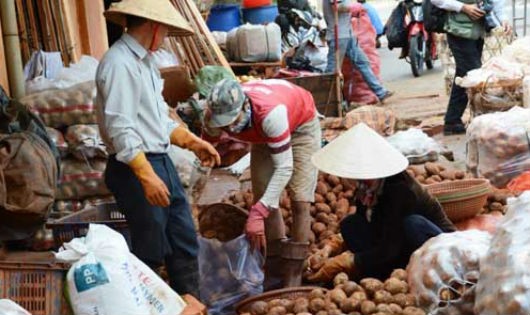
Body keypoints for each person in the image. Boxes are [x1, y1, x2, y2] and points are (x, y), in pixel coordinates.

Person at [95, 0, 220, 297]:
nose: (164, 37)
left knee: (183, 239)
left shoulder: (147, 63)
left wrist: (192, 142)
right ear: (154, 26)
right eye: (164, 31)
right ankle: (147, 304)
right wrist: (145, 174)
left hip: (159, 161)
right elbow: (121, 127)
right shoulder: (118, 63)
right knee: (150, 248)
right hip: (134, 167)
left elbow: (157, 119)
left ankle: (191, 303)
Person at [203, 78, 321, 287]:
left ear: (244, 106)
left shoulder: (269, 114)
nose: (229, 127)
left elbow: (285, 168)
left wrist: (258, 213)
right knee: (264, 194)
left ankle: (294, 273)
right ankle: (274, 265)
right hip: (264, 137)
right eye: (223, 123)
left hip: (301, 125)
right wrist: (192, 192)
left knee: (300, 200)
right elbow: (203, 157)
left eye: (232, 120)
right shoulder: (212, 118)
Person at [306, 123, 456, 282]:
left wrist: (349, 261)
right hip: (396, 241)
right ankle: (380, 275)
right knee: (350, 224)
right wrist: (331, 247)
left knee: (413, 224)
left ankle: (427, 275)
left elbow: (390, 246)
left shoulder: (401, 191)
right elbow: (368, 224)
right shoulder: (367, 188)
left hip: (438, 246)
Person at [431, 0, 511, 135]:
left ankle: (452, 121)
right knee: (475, 75)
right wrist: (463, 7)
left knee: (464, 74)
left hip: (477, 31)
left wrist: (503, 18)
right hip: (458, 31)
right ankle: (485, 123)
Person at [322, 0, 393, 103]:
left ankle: (380, 92)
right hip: (338, 36)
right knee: (333, 71)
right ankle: (326, 101)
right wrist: (353, 7)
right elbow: (337, 7)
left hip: (348, 34)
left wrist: (353, 10)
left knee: (363, 62)